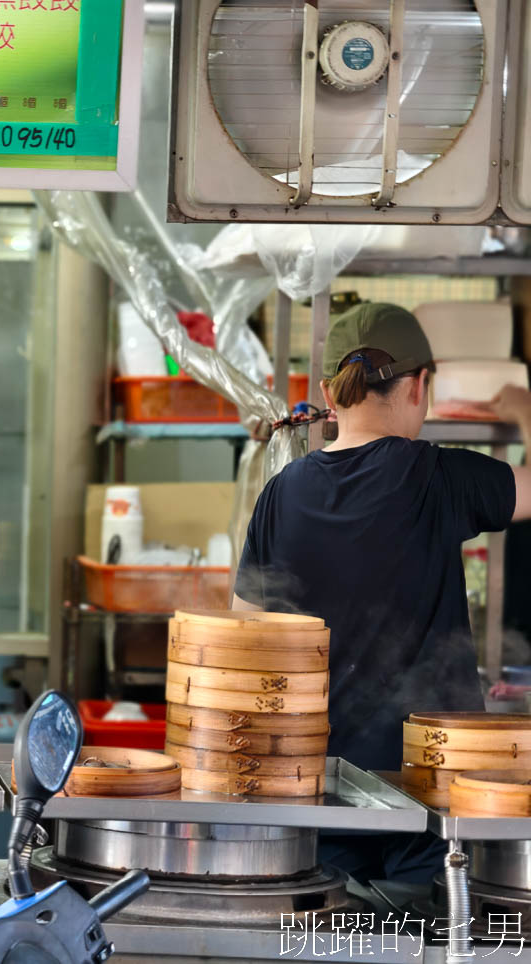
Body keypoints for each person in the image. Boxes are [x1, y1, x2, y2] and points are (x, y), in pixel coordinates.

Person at [233, 302, 531, 881]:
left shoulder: (281, 492)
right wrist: (523, 410)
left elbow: (244, 634)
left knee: (333, 937)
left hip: (318, 792)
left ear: (327, 390)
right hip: (429, 789)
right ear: (420, 386)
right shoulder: (437, 477)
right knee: (424, 939)